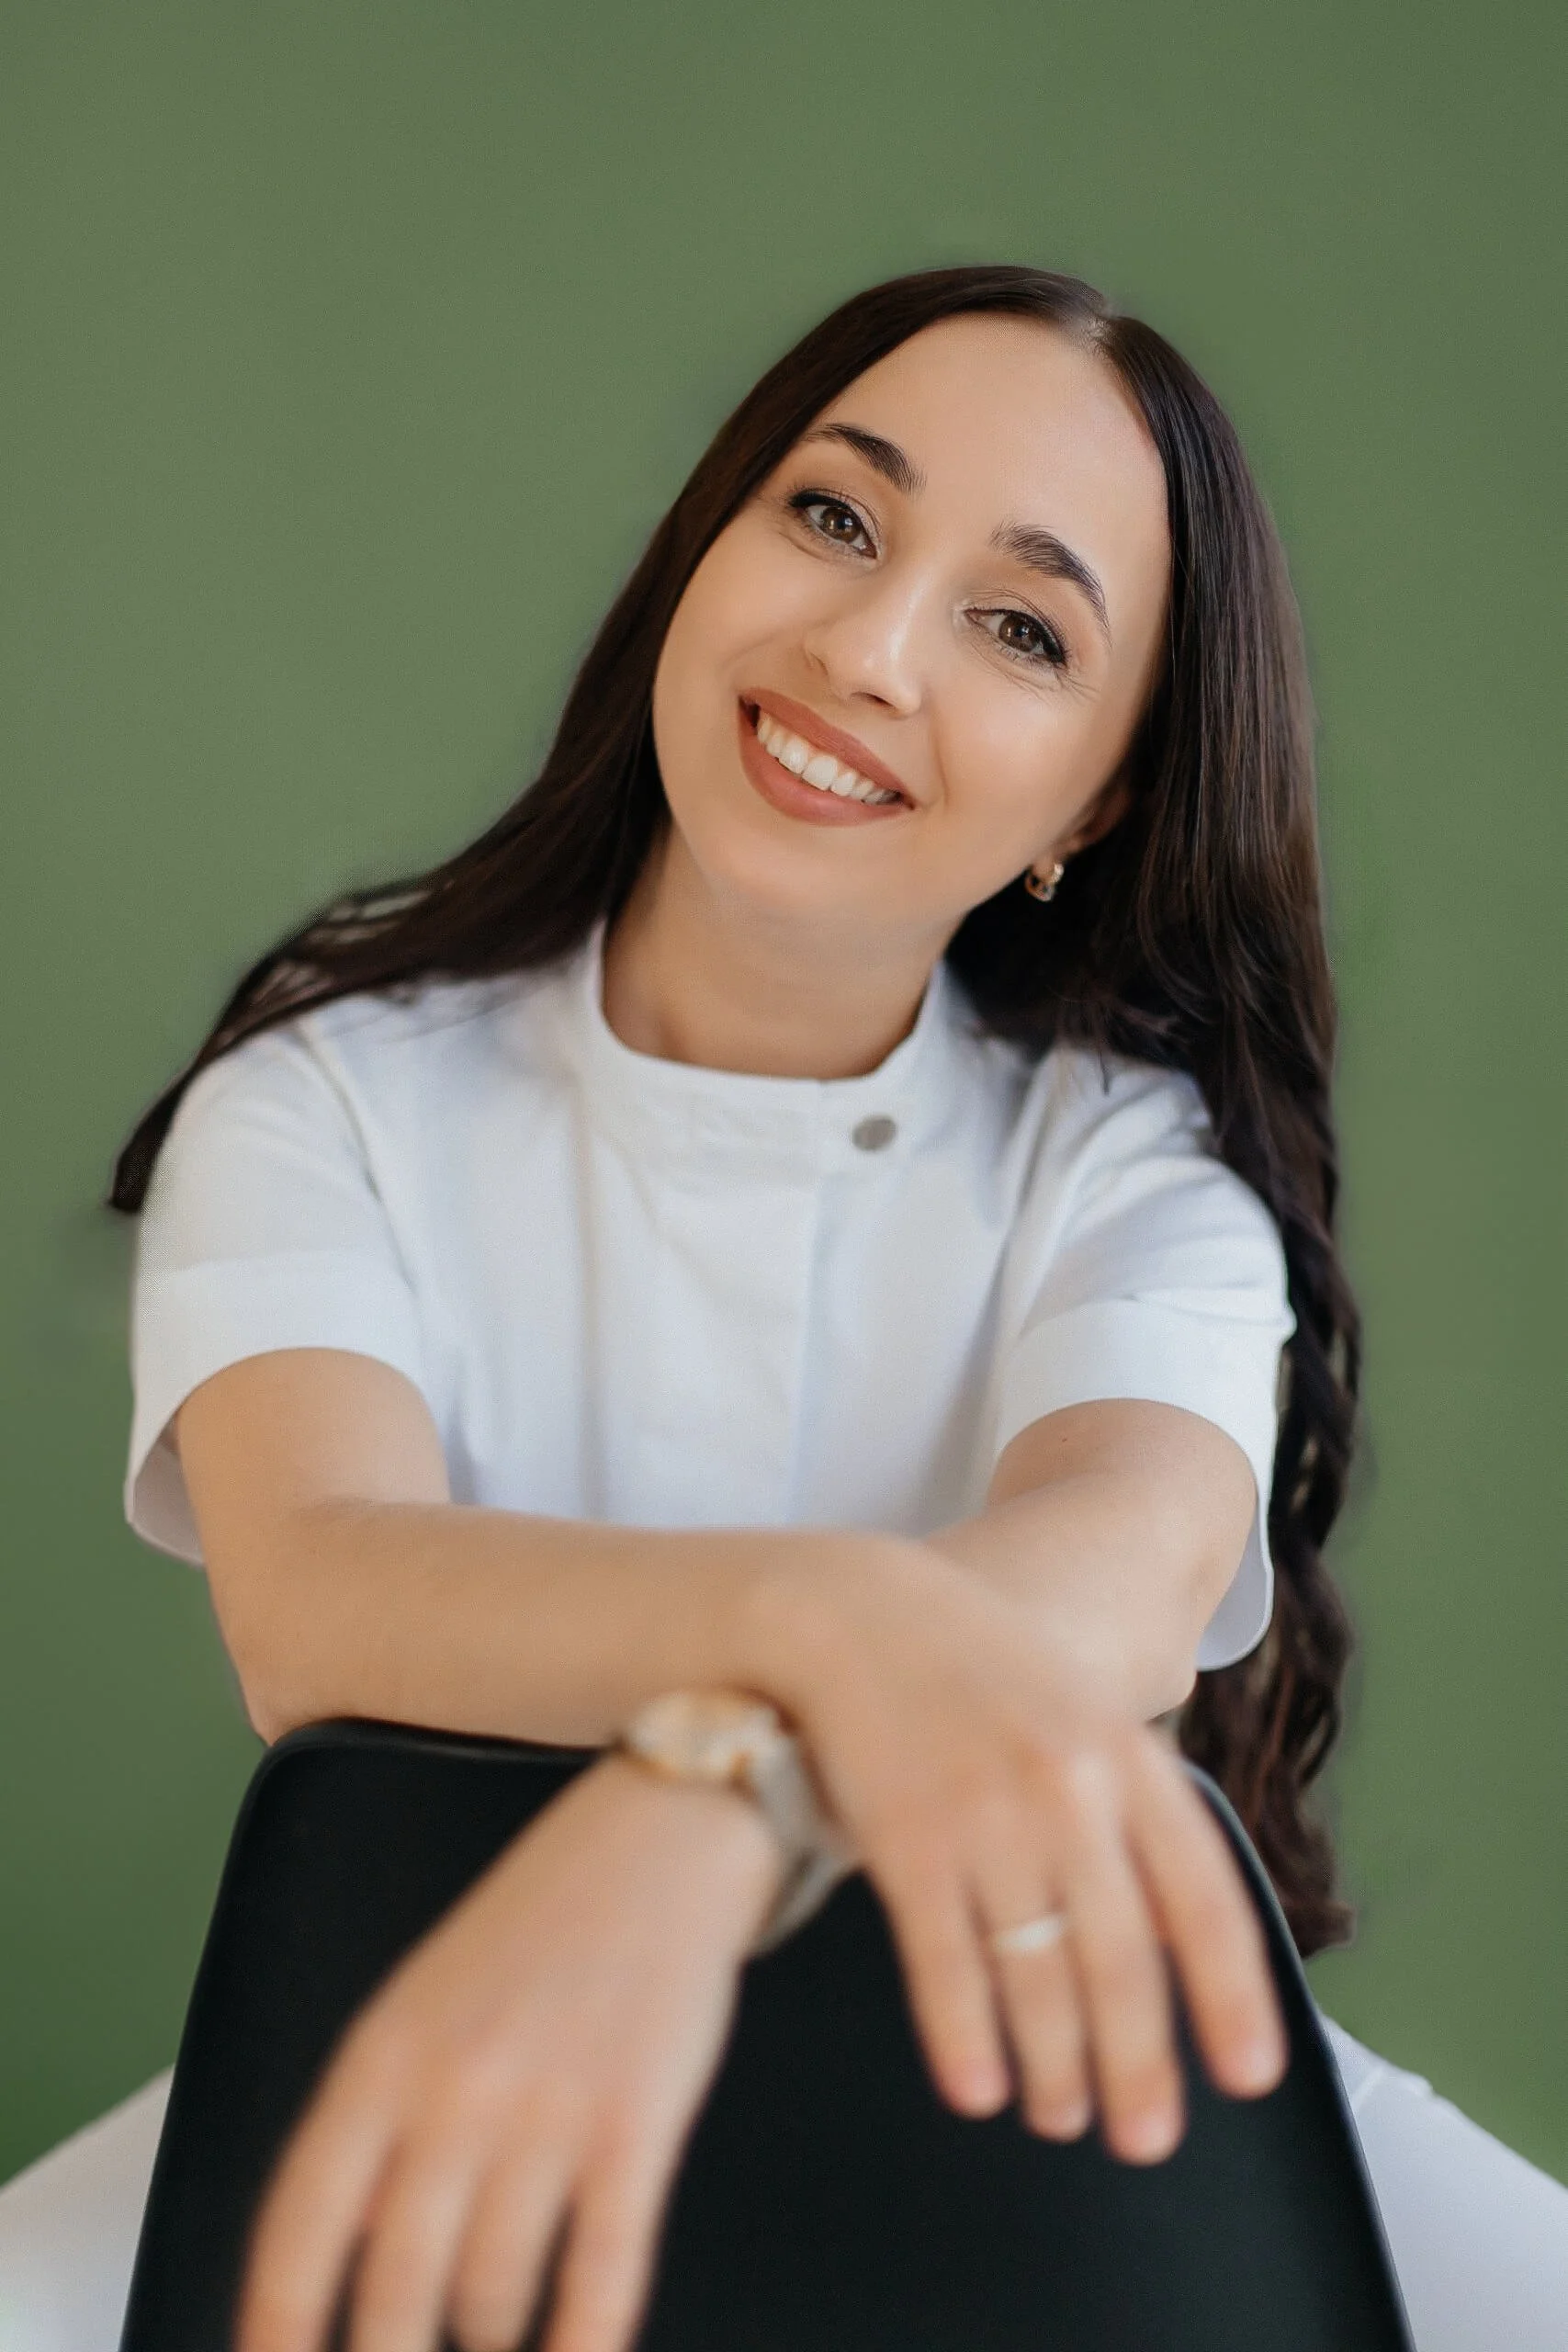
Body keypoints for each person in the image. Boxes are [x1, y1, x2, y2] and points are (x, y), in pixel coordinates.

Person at [1, 266, 1562, 2352]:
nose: (866, 648)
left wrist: (716, 1792)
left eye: (1021, 628)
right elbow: (322, 1597)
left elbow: (1106, 1597)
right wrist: (832, 1632)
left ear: (1097, 800)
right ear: (703, 543)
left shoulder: (1134, 1173)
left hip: (1064, 2112)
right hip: (413, 2066)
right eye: (833, 514)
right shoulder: (326, 1093)